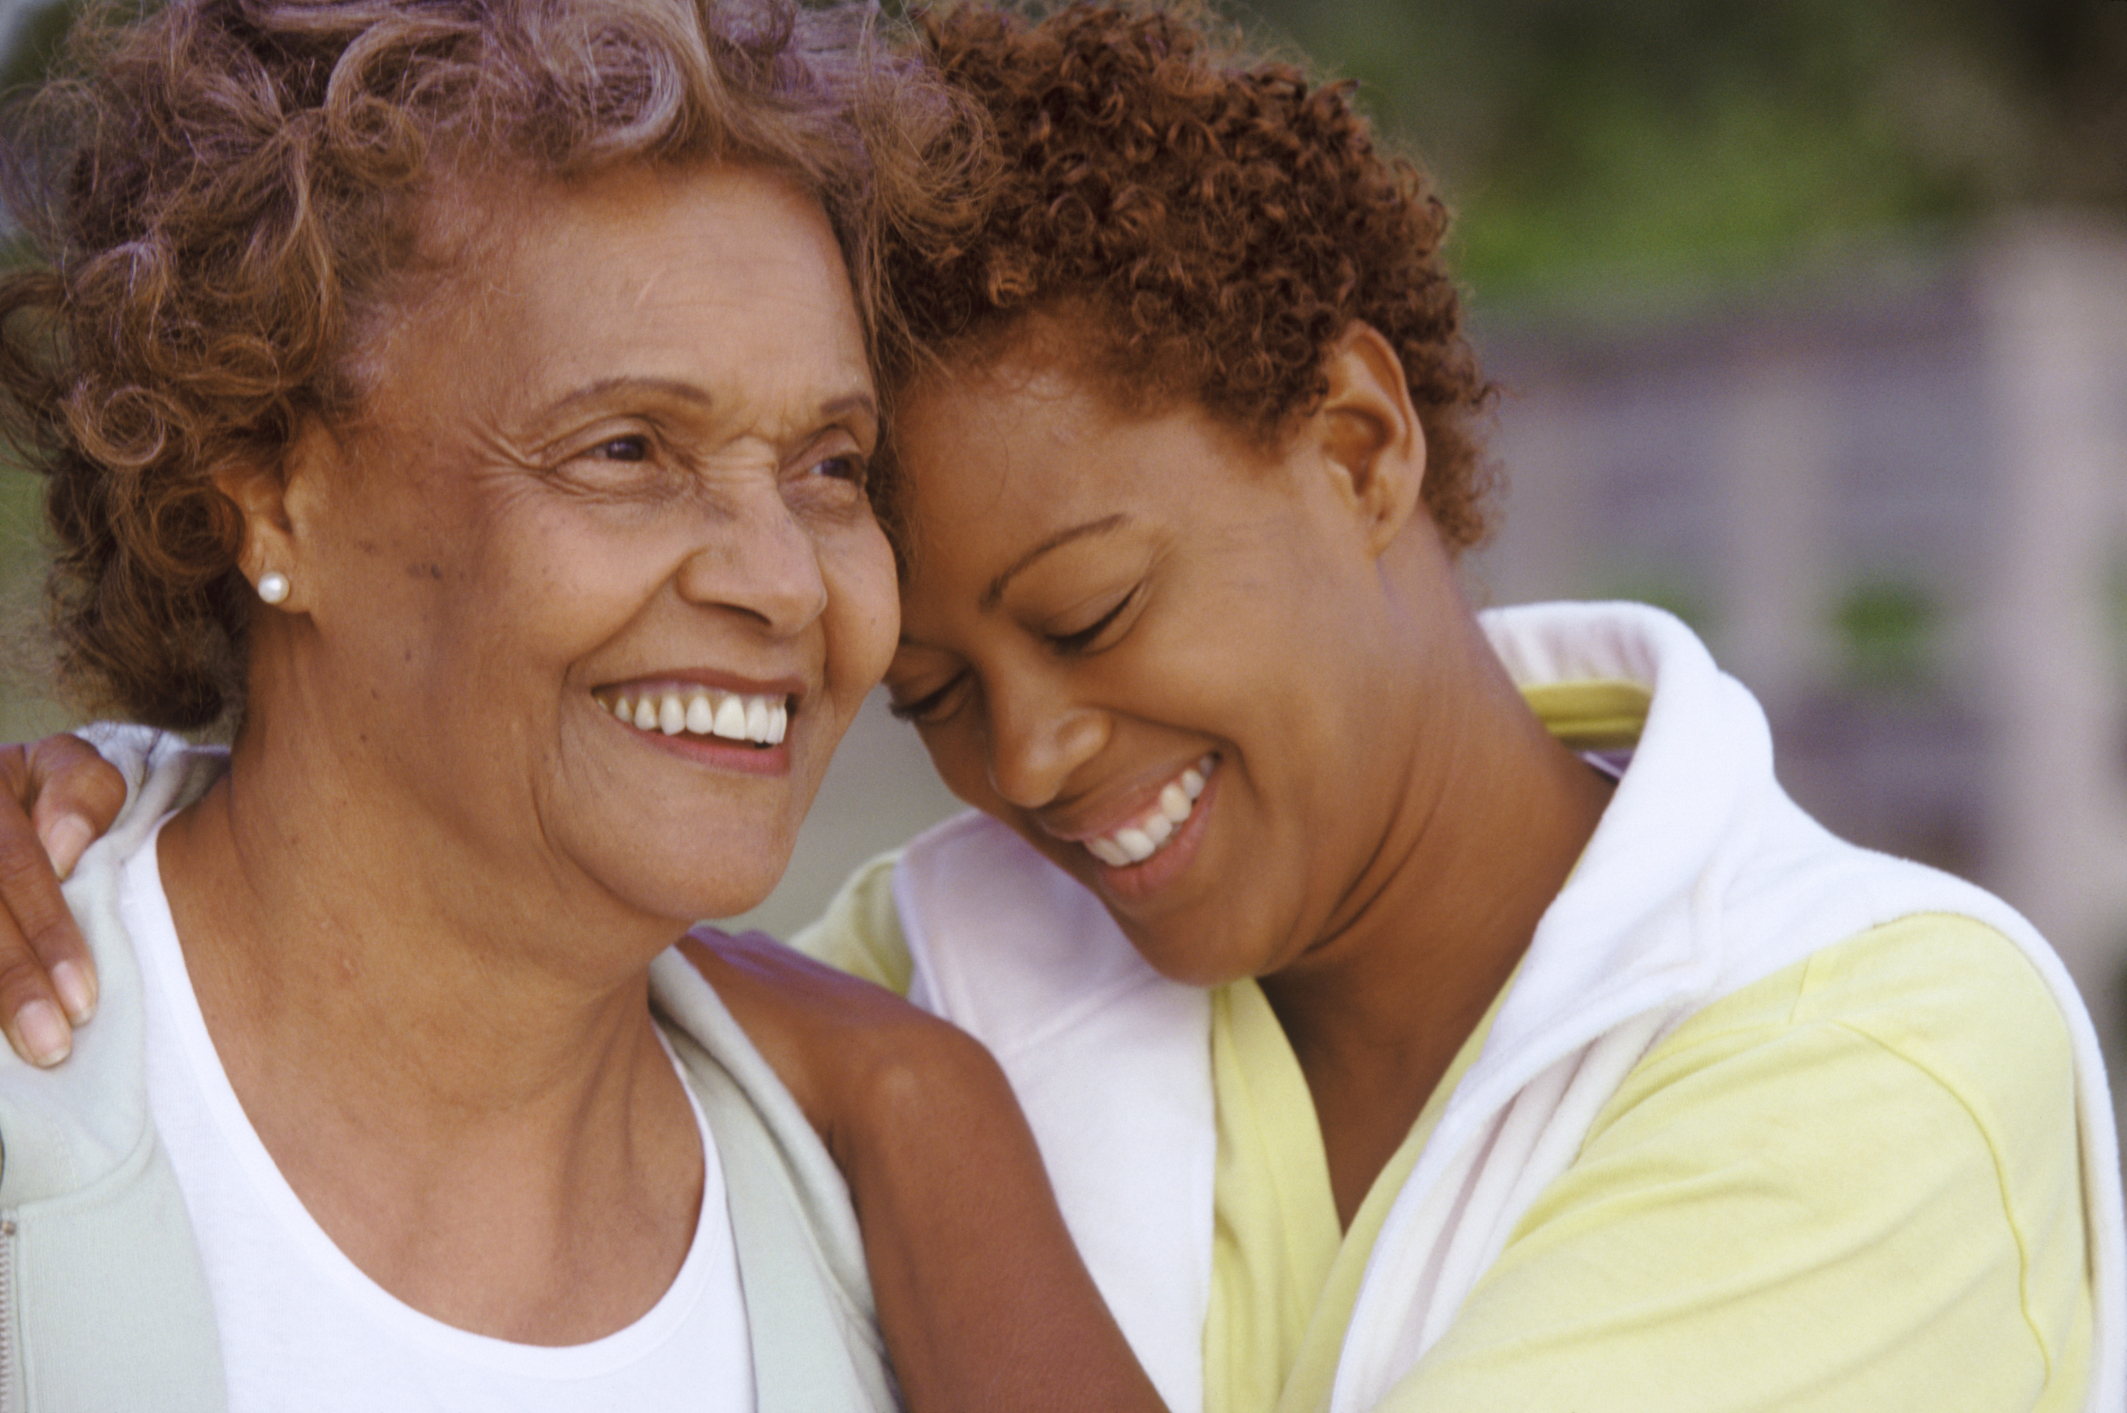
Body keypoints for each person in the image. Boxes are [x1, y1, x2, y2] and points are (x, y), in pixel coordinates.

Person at [4, 3, 2122, 1411]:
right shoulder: (921, 967)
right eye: (934, 683)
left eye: (1094, 611)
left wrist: (927, 1111)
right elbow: (434, 872)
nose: (1017, 763)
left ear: (1364, 446)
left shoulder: (1877, 1060)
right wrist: (139, 795)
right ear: (263, 486)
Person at [0, 1, 1160, 1409]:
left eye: (832, 466)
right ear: (267, 489)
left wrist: (916, 1092)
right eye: (625, 448)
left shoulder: (880, 1250)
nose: (785, 581)